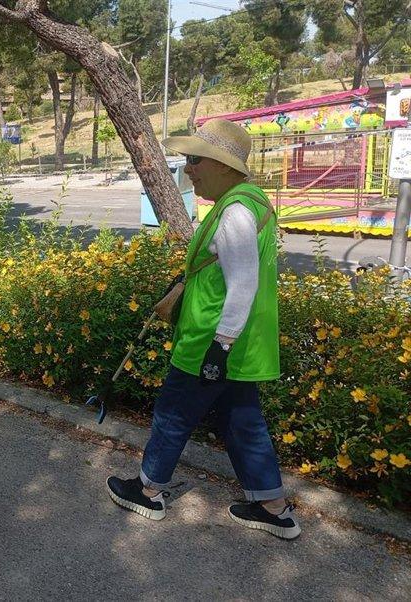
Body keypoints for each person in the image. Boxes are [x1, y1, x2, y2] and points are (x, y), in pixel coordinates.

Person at [107, 119, 301, 540]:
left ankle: (148, 490)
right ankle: (273, 507)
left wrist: (219, 345)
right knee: (241, 420)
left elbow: (243, 284)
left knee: (173, 414)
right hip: (239, 345)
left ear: (223, 165)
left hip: (212, 343)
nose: (188, 168)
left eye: (195, 160)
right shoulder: (251, 202)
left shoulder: (233, 212)